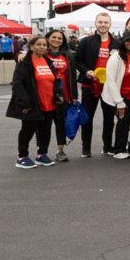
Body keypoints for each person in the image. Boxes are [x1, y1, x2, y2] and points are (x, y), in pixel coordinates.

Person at [9, 36, 59, 168]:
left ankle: (41, 155)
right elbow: (17, 85)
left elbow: (53, 81)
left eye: (44, 45)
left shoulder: (48, 62)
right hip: (32, 105)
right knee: (27, 131)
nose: (42, 47)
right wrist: (26, 103)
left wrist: (58, 95)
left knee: (45, 131)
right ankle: (22, 157)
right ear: (31, 46)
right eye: (38, 44)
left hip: (49, 104)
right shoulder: (25, 62)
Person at [73, 11, 116, 157]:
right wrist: (87, 71)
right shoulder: (86, 41)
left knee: (109, 118)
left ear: (110, 24)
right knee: (87, 117)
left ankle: (108, 146)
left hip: (109, 86)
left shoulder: (116, 43)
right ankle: (86, 147)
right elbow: (77, 60)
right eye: (100, 22)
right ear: (95, 23)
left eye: (106, 22)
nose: (103, 25)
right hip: (90, 85)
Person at [101, 31, 130, 159]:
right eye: (127, 41)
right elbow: (110, 81)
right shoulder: (116, 58)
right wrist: (119, 102)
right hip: (118, 95)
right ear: (123, 43)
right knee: (124, 120)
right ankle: (119, 150)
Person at [44, 29, 78, 162]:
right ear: (48, 38)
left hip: (63, 95)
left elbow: (73, 77)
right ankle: (42, 151)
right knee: (44, 124)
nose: (56, 40)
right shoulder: (42, 53)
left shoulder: (68, 55)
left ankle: (60, 150)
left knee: (60, 123)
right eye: (54, 37)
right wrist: (20, 56)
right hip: (46, 93)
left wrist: (74, 95)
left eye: (59, 38)